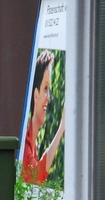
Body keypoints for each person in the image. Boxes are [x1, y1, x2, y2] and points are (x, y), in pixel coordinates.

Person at [22, 49, 65, 185]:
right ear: (35, 95)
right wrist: (62, 128)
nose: (49, 97)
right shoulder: (24, 143)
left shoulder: (32, 143)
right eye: (45, 88)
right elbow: (36, 178)